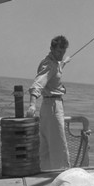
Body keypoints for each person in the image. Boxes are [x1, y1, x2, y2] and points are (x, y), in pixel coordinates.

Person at [26, 35, 71, 170]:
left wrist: (64, 62)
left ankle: (44, 175)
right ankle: (62, 176)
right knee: (58, 146)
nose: (61, 55)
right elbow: (37, 84)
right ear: (51, 48)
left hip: (47, 107)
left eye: (63, 52)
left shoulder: (52, 62)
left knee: (45, 146)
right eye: (58, 52)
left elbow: (56, 67)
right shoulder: (50, 64)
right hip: (53, 107)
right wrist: (32, 104)